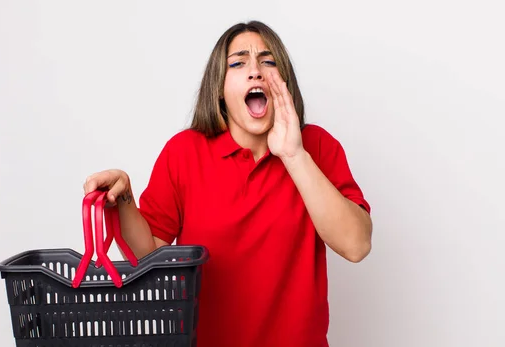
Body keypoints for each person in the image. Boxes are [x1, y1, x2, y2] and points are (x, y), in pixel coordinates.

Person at [84, 20, 372, 347]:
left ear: (284, 82)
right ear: (219, 88)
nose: (255, 71)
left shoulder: (317, 147)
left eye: (268, 61)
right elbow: (150, 255)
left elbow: (356, 245)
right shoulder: (184, 152)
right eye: (238, 63)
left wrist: (294, 154)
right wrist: (124, 199)